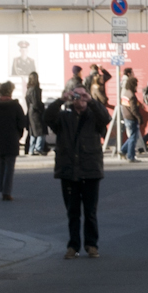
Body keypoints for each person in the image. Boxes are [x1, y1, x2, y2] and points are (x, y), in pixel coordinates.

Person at [49, 79, 108, 259]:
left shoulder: (93, 116)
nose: (80, 99)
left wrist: (92, 101)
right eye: (76, 96)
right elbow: (47, 117)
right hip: (68, 171)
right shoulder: (63, 117)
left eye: (83, 96)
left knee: (90, 212)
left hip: (90, 170)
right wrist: (61, 100)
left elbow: (105, 118)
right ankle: (73, 246)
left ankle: (91, 245)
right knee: (72, 212)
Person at [0, 83, 26, 200]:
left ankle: (1, 187)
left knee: (2, 163)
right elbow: (21, 123)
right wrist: (18, 135)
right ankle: (6, 191)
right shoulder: (15, 106)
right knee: (10, 165)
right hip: (12, 139)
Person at [24, 72, 48, 155]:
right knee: (41, 131)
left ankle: (31, 149)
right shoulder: (35, 90)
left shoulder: (28, 89)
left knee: (33, 132)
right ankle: (38, 148)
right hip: (36, 113)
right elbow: (36, 103)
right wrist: (42, 108)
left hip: (31, 113)